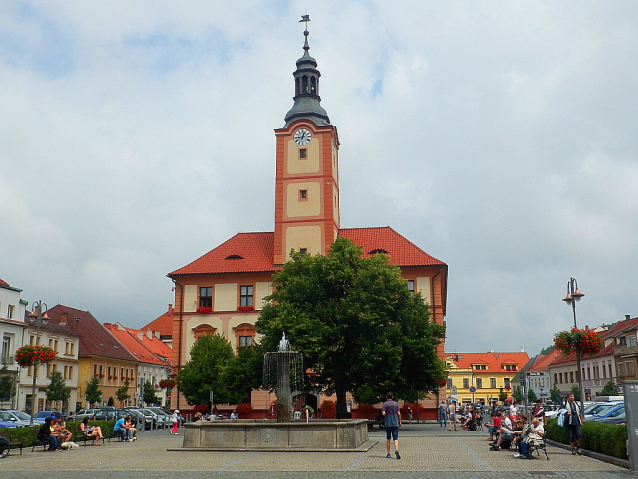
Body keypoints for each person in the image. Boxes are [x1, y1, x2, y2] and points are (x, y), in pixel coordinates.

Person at [381, 391, 401, 460]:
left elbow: (383, 413)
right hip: (395, 423)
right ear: (392, 397)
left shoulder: (385, 404)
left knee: (388, 438)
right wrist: (399, 421)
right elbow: (398, 413)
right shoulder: (396, 404)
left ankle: (389, 454)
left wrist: (385, 414)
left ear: (386, 397)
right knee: (395, 438)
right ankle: (396, 450)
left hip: (388, 423)